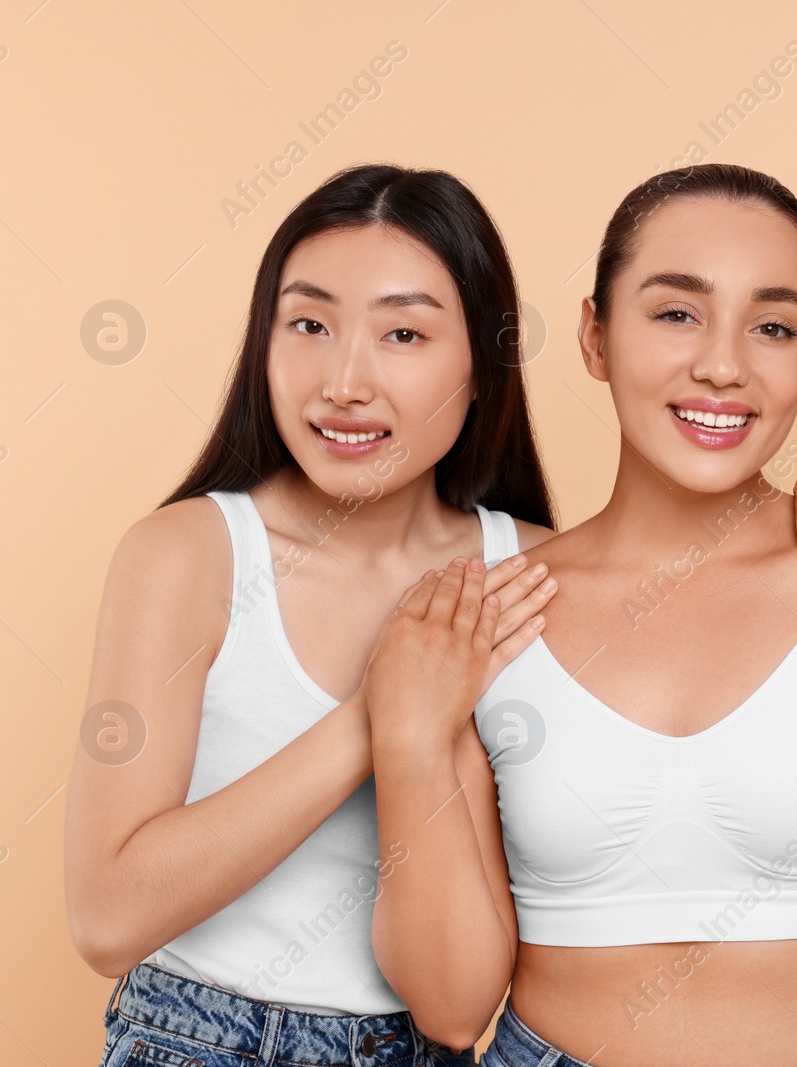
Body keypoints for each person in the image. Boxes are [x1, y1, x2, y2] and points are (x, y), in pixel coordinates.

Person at [363, 162, 797, 1067]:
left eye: (774, 326)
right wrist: (404, 744)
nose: (723, 365)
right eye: (676, 312)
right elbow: (448, 1005)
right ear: (596, 337)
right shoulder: (489, 608)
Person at [65, 164, 560, 1067]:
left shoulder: (530, 574)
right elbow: (106, 916)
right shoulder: (188, 555)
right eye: (309, 324)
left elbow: (463, 1003)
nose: (344, 381)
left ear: (485, 366)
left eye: (403, 332)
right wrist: (384, 713)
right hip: (191, 1038)